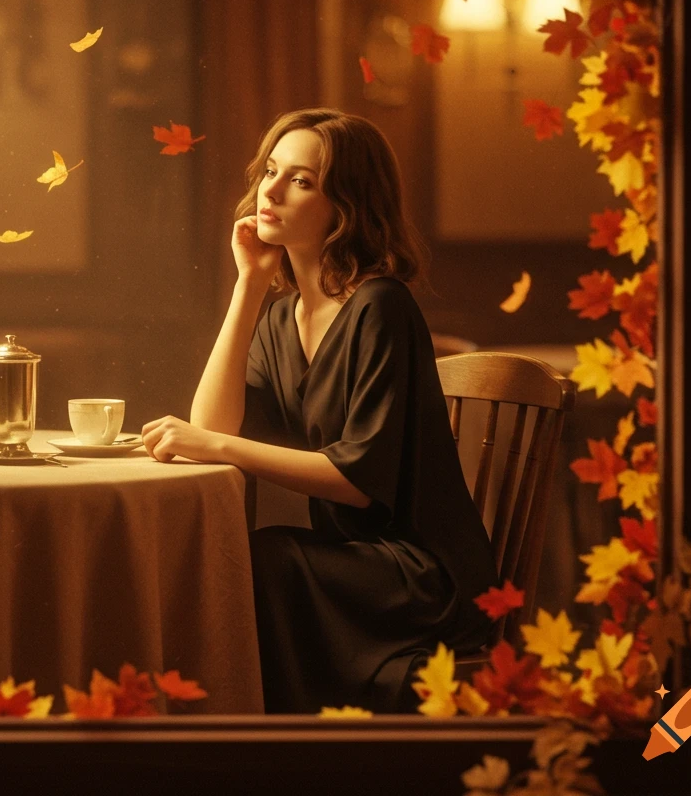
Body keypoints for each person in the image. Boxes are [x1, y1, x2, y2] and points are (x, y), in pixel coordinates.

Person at [140, 108, 498, 714]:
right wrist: (249, 285)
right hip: (355, 566)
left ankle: (271, 752)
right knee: (256, 559)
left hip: (419, 574)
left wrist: (213, 447)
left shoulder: (380, 307)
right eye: (271, 171)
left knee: (266, 560)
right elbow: (214, 423)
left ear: (347, 207)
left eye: (301, 181)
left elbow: (356, 483)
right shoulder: (283, 318)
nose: (269, 192)